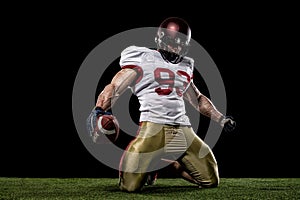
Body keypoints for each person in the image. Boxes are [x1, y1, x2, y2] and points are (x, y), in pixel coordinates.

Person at [87, 17, 236, 192]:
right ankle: (152, 164)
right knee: (130, 187)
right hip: (153, 128)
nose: (176, 47)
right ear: (161, 39)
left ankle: (166, 165)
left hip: (182, 130)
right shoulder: (141, 57)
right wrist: (99, 109)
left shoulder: (186, 65)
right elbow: (115, 86)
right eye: (173, 42)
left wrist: (221, 119)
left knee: (210, 180)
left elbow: (197, 99)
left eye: (181, 44)